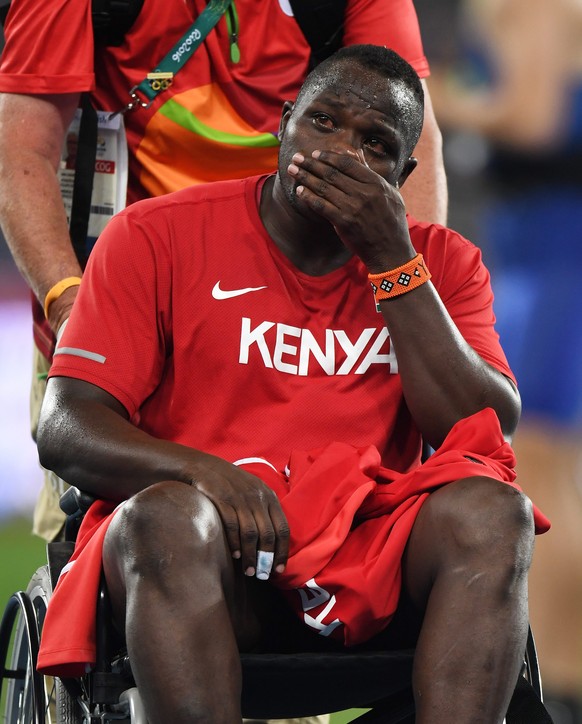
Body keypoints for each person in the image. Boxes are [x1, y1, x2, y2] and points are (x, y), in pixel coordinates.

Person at [35, 45, 549, 724]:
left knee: (495, 512)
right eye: (324, 123)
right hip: (203, 555)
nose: (341, 153)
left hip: (366, 557)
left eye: (375, 143)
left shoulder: (441, 262)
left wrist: (391, 259)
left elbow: (481, 429)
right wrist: (206, 475)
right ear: (284, 123)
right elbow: (67, 426)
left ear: (405, 171)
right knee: (166, 517)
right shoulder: (155, 235)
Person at [0, 0, 448, 550]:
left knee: (328, 534)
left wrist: (403, 305)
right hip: (131, 309)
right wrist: (73, 305)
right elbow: (20, 148)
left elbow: (410, 129)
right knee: (108, 544)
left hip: (305, 318)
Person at [426, 0, 582, 719]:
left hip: (550, 265)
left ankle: (562, 682)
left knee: (545, 483)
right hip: (545, 256)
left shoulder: (531, 3)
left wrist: (431, 99)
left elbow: (532, 116)